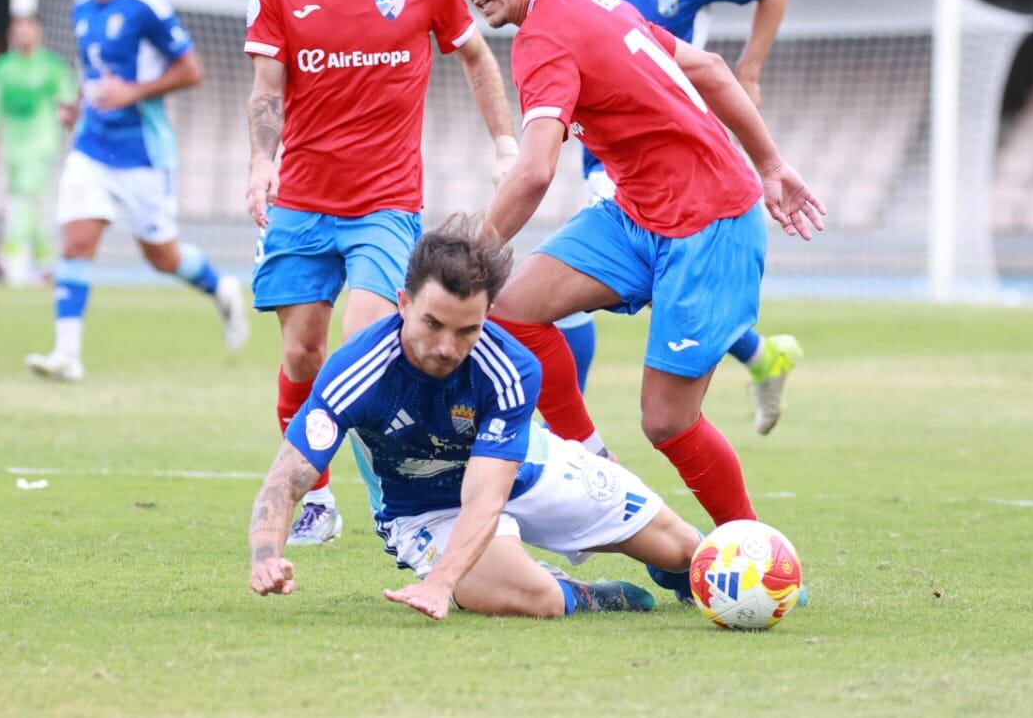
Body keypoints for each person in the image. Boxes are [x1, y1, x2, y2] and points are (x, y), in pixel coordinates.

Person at [432, 0, 826, 529]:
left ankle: (752, 547)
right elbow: (709, 67)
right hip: (637, 213)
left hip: (710, 223)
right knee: (511, 308)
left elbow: (534, 171)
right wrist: (773, 165)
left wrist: (463, 261)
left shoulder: (543, 38)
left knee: (666, 421)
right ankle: (593, 464)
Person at [244, 0, 519, 546]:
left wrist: (505, 142)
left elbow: (477, 57)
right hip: (301, 200)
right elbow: (267, 86)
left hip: (384, 204)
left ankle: (393, 507)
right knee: (301, 357)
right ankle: (316, 499)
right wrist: (260, 162)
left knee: (366, 345)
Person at [247, 216, 701, 619]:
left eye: (467, 329)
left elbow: (486, 494)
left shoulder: (512, 367)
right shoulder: (357, 371)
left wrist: (441, 584)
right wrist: (266, 558)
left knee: (685, 550)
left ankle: (681, 576)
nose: (447, 347)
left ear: (487, 315)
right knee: (537, 597)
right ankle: (585, 594)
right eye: (433, 324)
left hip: (525, 468)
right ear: (403, 303)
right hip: (425, 512)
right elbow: (287, 479)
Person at [552, 0, 803, 433]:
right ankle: (760, 355)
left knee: (563, 297)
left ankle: (569, 437)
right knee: (647, 277)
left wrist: (749, 70)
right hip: (604, 152)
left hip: (675, 150)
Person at [25, 0, 250, 382]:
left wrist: (133, 93)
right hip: (92, 148)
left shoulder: (146, 6)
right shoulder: (81, 9)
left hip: (143, 153)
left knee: (162, 257)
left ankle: (221, 288)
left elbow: (191, 70)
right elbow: (94, 75)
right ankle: (67, 354)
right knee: (76, 244)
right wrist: (78, 108)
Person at [0, 15, 76, 287]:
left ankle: (7, 259)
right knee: (31, 206)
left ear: (38, 33)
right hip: (13, 146)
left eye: (29, 29)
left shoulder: (52, 66)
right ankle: (47, 266)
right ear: (11, 34)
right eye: (19, 30)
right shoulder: (2, 67)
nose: (24, 35)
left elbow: (68, 101)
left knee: (24, 199)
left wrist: (68, 117)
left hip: (41, 143)